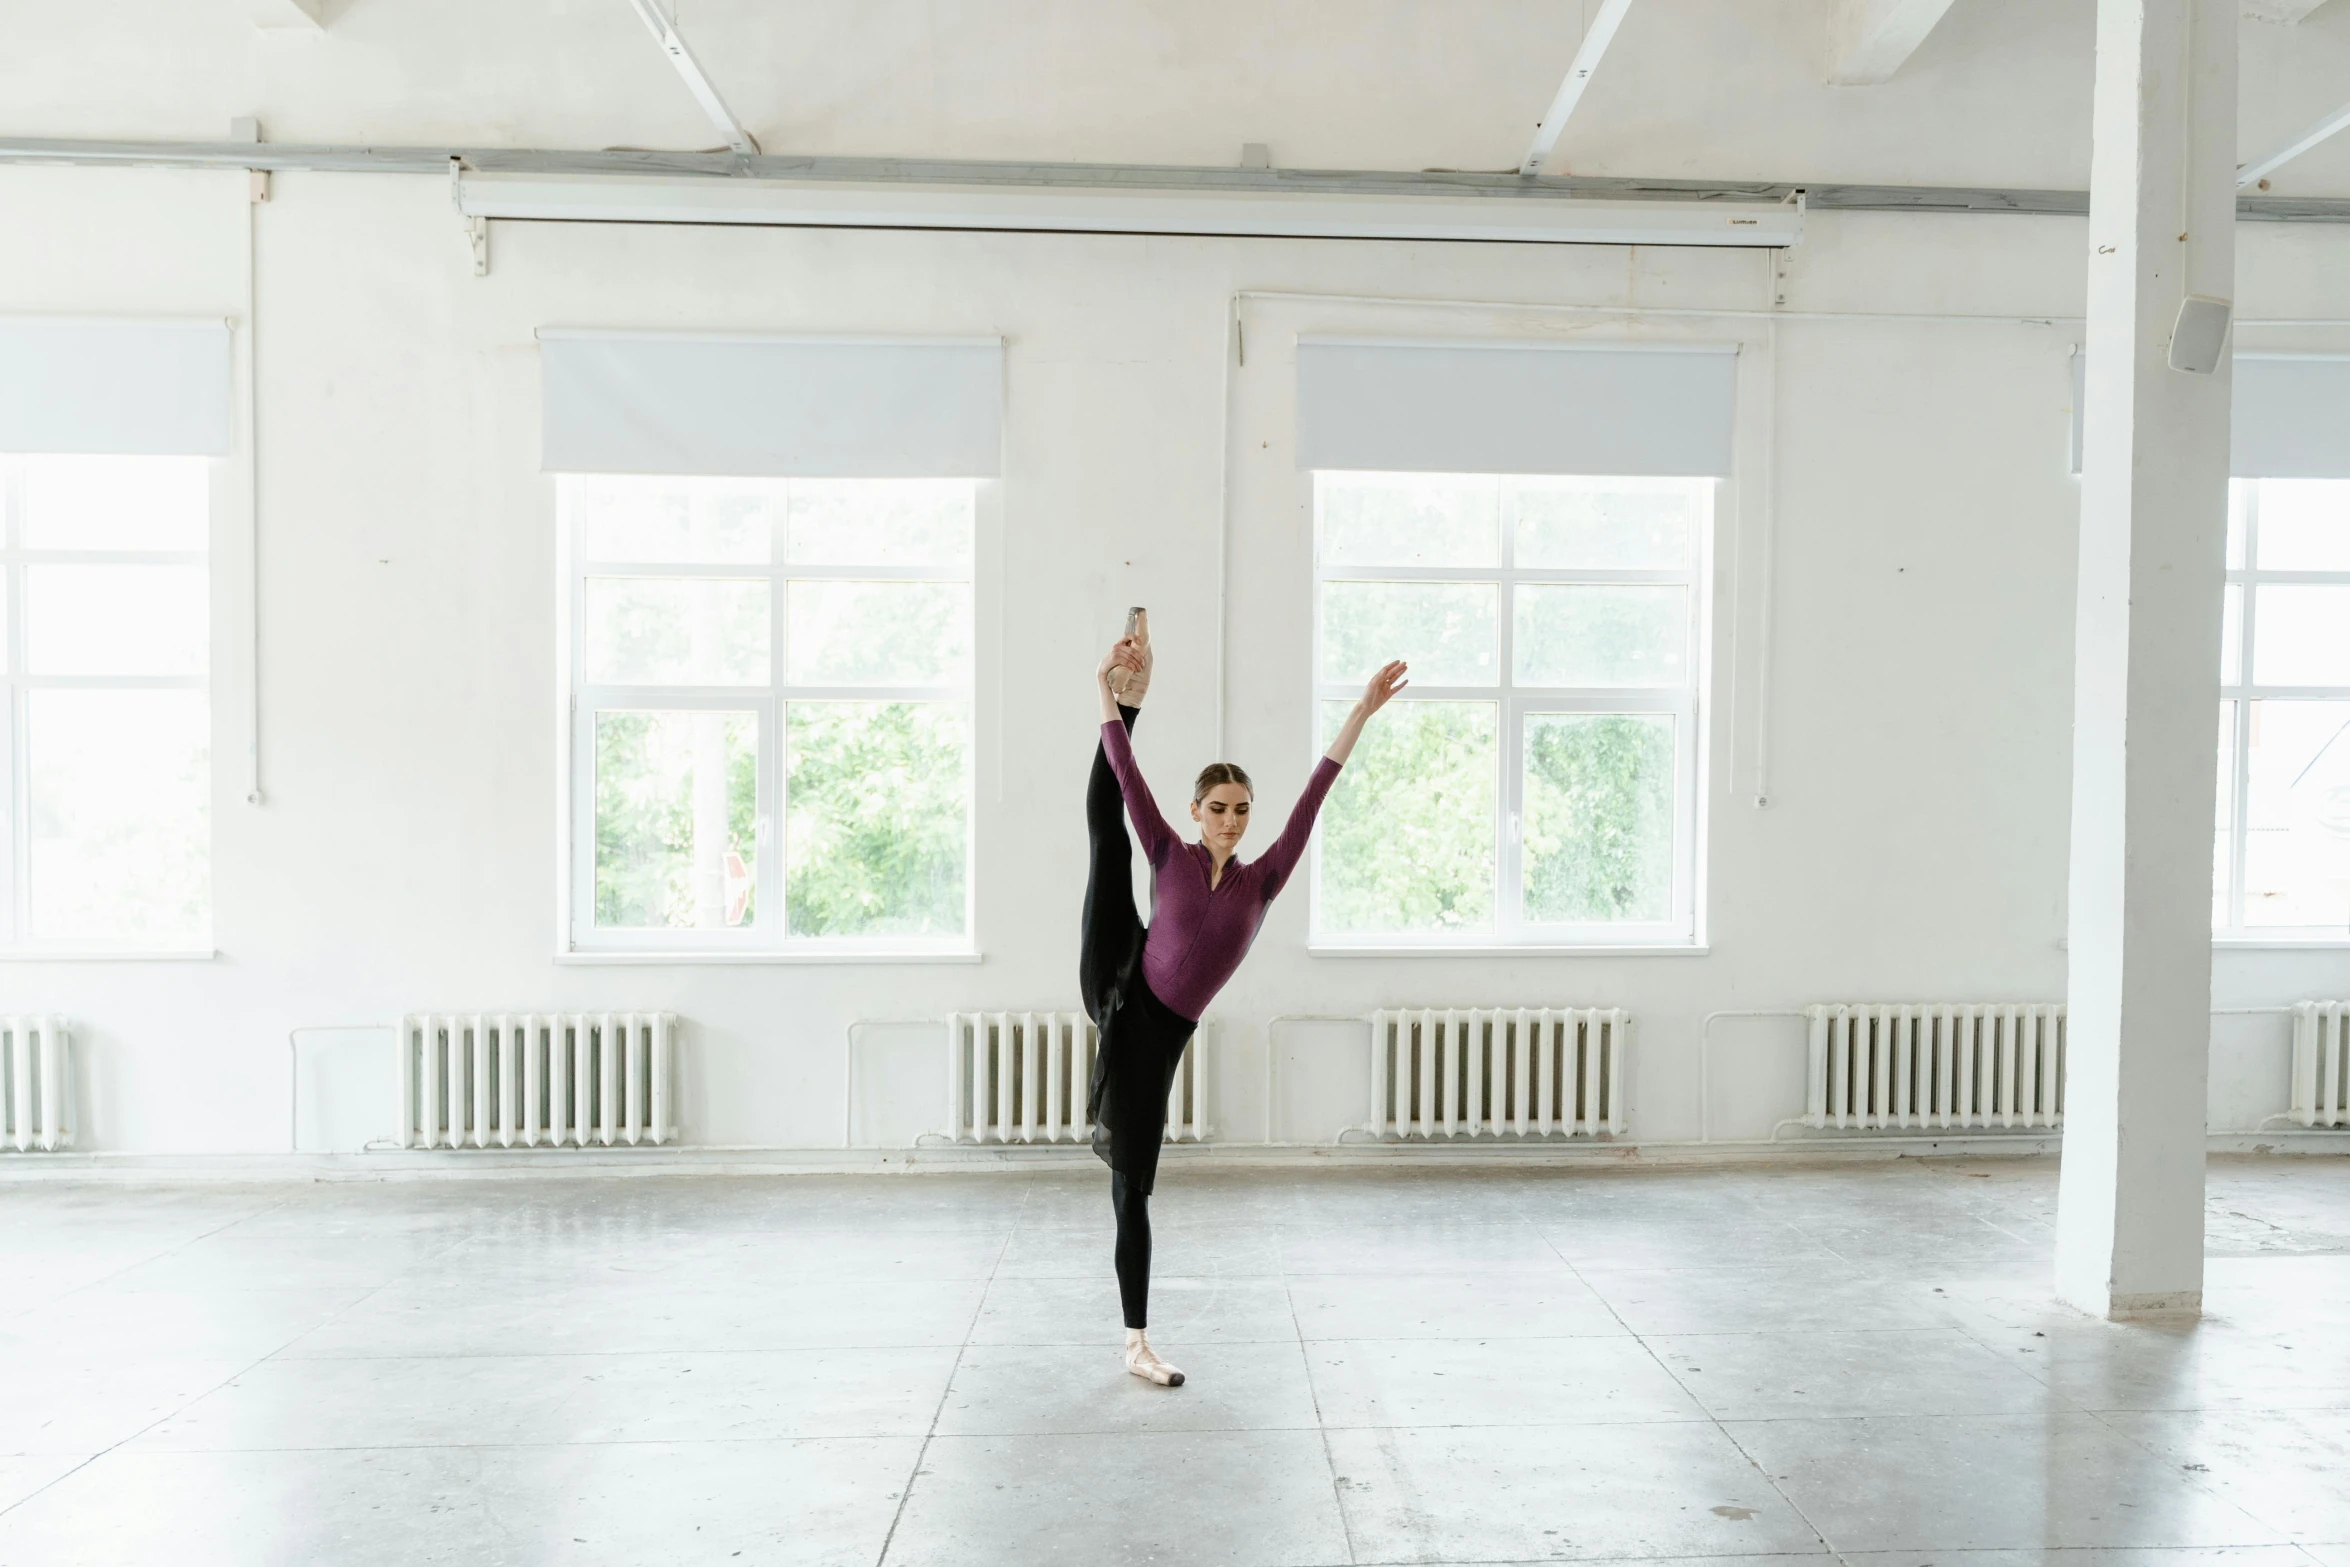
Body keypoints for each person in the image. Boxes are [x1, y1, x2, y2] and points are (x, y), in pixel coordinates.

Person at [1082, 610, 1406, 1387]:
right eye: (1218, 807)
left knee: (1139, 1180)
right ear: (1197, 811)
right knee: (1105, 828)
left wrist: (1359, 711)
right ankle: (1136, 1342)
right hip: (1125, 991)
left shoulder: (1263, 879)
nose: (1230, 820)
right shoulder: (1169, 849)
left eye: (1240, 809)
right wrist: (1110, 692)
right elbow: (1126, 775)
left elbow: (1315, 795)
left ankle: (1134, 1337)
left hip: (1168, 1032)